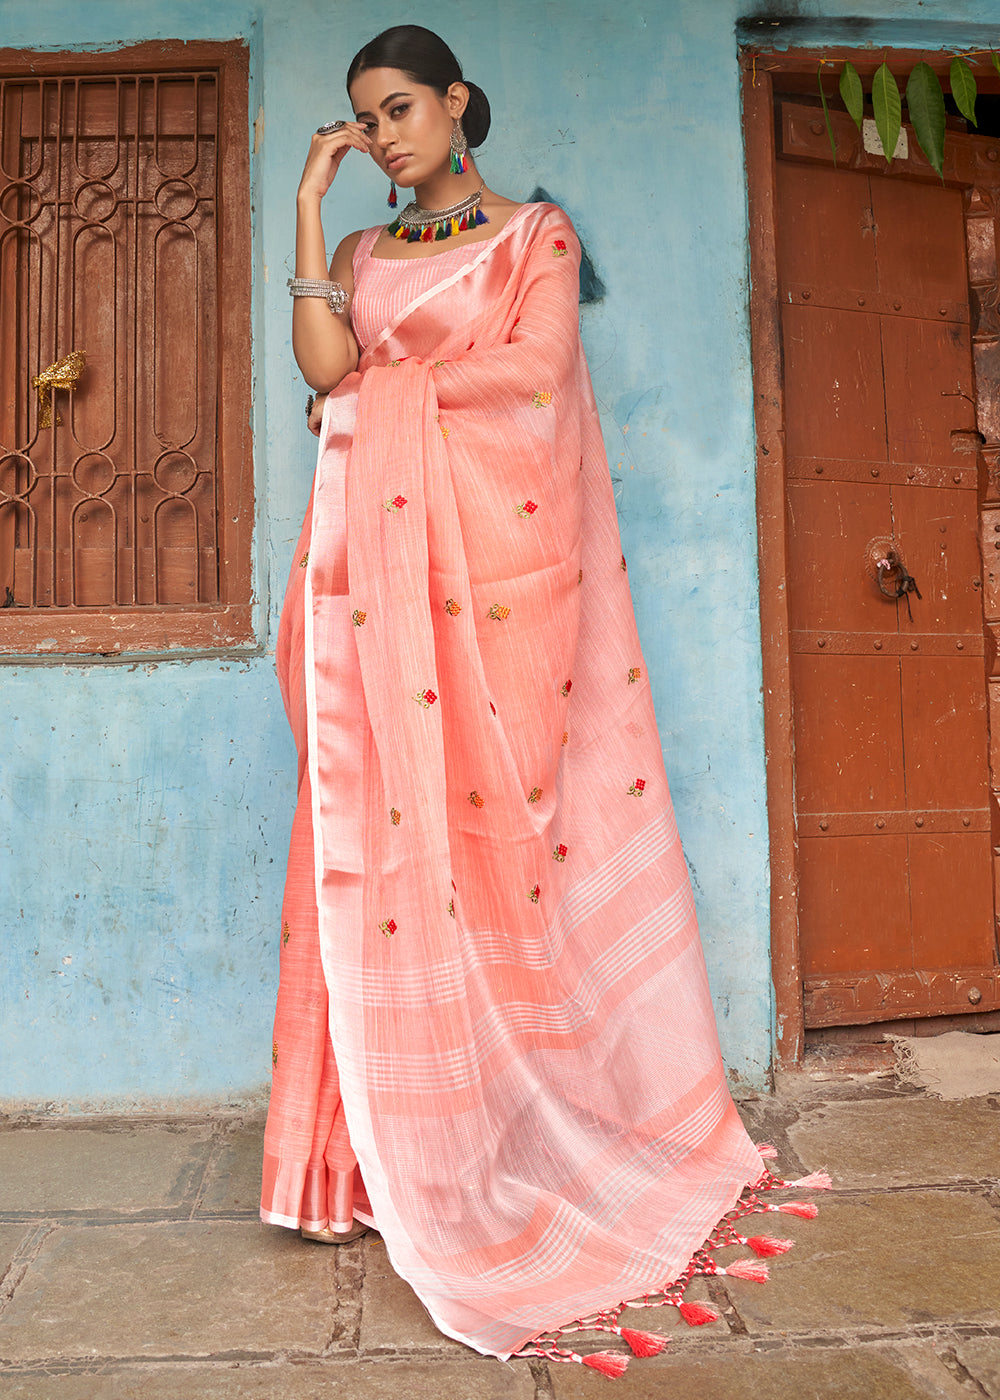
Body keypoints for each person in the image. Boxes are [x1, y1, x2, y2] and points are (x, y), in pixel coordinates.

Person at [260, 24, 816, 1374]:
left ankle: (504, 1142)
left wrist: (386, 400)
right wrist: (305, 208)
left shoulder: (534, 245)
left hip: (495, 593)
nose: (387, 136)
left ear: (458, 106)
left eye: (402, 110)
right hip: (375, 603)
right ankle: (355, 1166)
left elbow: (533, 380)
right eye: (366, 121)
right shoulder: (362, 257)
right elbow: (325, 377)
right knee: (369, 851)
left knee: (486, 860)